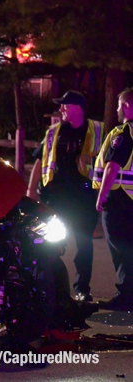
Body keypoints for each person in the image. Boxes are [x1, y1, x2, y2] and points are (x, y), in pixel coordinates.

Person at [26, 90, 102, 302]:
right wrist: (31, 190)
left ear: (77, 108)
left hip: (84, 199)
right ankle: (51, 290)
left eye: (65, 106)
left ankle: (81, 290)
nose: (61, 110)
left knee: (84, 246)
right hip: (56, 199)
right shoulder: (54, 132)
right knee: (48, 244)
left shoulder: (98, 131)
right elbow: (40, 161)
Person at [93, 87, 133, 311]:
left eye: (119, 105)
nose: (117, 109)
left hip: (119, 198)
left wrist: (102, 195)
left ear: (127, 105)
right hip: (131, 198)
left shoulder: (124, 133)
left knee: (121, 248)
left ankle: (126, 297)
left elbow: (112, 167)